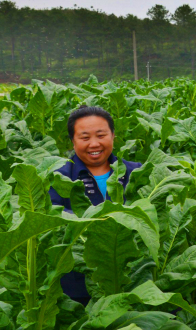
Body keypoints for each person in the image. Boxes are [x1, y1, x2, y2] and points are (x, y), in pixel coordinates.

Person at [49, 105, 141, 302]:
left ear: (113, 136)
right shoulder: (58, 179)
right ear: (73, 141)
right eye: (84, 138)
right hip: (79, 291)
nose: (94, 144)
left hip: (133, 283)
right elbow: (52, 227)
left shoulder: (136, 174)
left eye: (101, 135)